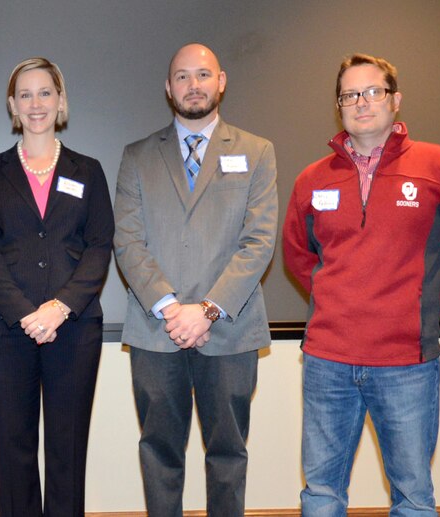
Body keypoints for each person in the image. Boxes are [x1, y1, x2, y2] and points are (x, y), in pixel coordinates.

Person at [283, 53, 440, 516]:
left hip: (406, 362)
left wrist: (424, 304)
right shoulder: (311, 180)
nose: (361, 102)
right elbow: (299, 256)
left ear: (395, 100)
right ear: (339, 106)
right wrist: (337, 300)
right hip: (327, 360)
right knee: (321, 492)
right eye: (349, 95)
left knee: (413, 495)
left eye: (373, 91)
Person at [113, 43, 278, 516]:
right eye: (182, 76)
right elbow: (128, 242)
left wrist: (206, 311)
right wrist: (172, 309)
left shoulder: (256, 152)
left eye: (203, 75)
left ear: (221, 81)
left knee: (228, 455)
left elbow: (258, 242)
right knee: (159, 453)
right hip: (156, 331)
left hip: (229, 330)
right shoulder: (138, 156)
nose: (193, 85)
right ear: (168, 88)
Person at [0, 57, 114, 516]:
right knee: (14, 449)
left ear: (61, 100)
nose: (36, 104)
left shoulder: (87, 170)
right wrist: (26, 313)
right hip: (6, 329)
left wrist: (60, 307)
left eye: (45, 92)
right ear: (12, 105)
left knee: (68, 450)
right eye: (25, 95)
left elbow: (99, 246)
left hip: (74, 329)